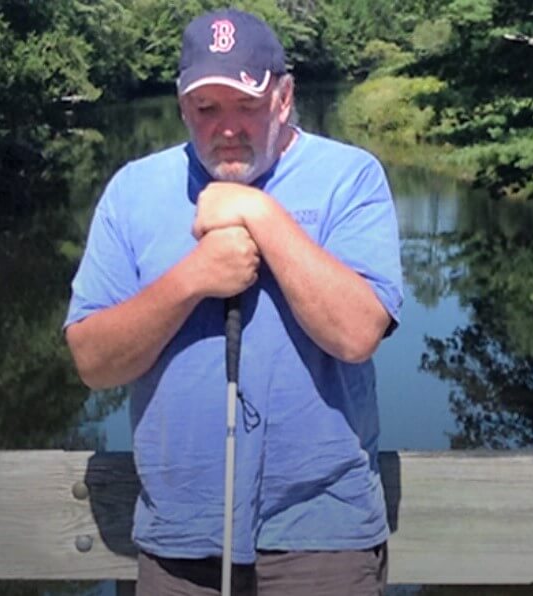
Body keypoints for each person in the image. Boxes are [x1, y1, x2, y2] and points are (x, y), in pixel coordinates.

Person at [64, 8, 404, 595]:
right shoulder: (132, 192)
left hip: (323, 536)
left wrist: (260, 214)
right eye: (207, 109)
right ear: (181, 107)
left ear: (284, 97)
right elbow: (94, 363)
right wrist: (191, 279)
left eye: (246, 105)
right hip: (178, 539)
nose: (227, 127)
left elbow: (357, 333)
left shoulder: (351, 178)